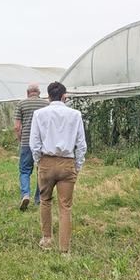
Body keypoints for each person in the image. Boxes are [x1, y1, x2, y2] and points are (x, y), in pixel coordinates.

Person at [29, 82, 87, 253]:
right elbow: (81, 144)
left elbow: (34, 143)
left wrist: (38, 161)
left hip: (46, 161)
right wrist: (77, 165)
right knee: (65, 206)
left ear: (48, 96)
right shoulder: (75, 115)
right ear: (64, 96)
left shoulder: (39, 114)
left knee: (45, 201)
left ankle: (47, 239)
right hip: (67, 162)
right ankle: (64, 248)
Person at [14, 83, 48, 211]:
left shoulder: (21, 104)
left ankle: (25, 195)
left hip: (26, 143)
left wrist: (20, 139)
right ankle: (39, 198)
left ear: (28, 93)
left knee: (24, 171)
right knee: (41, 170)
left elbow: (17, 126)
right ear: (39, 93)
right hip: (42, 144)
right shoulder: (46, 105)